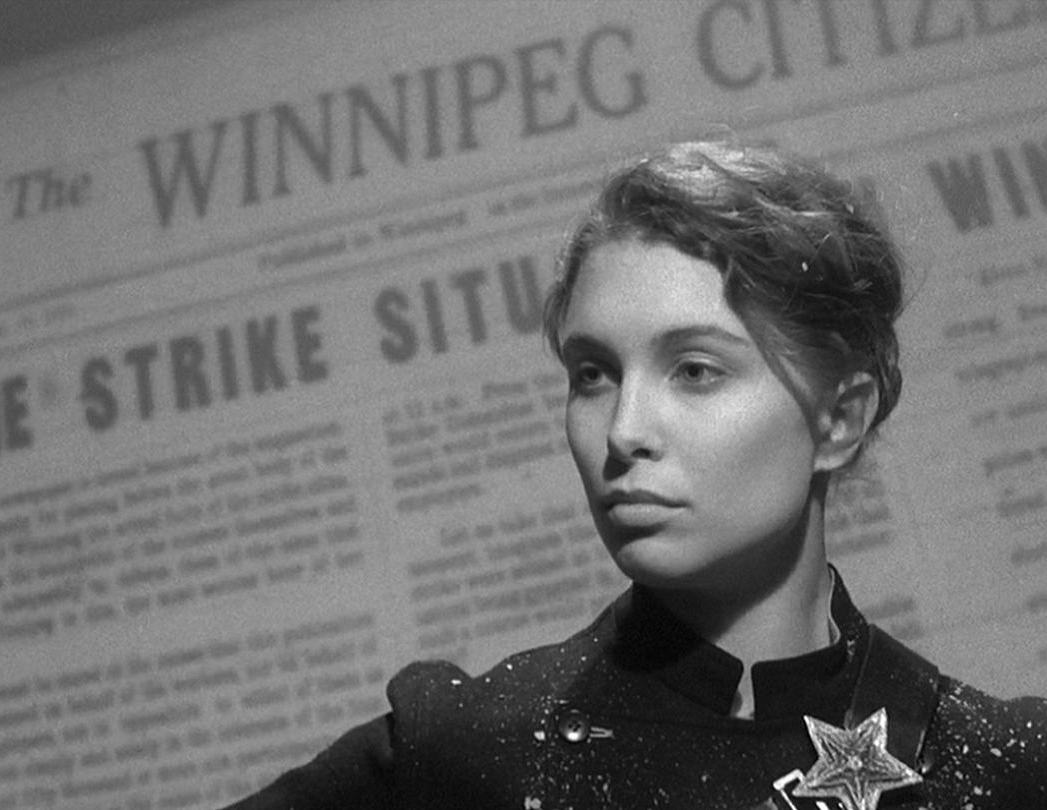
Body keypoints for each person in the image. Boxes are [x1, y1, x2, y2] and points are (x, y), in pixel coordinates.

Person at [222, 141, 1047, 810]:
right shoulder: (466, 756)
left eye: (695, 371)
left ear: (840, 420)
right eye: (592, 374)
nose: (622, 432)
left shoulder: (1001, 770)